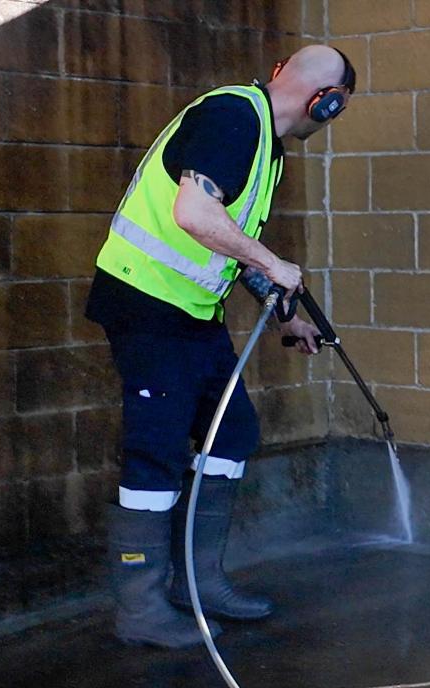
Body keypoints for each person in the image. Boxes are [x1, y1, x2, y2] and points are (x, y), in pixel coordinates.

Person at [85, 45, 357, 648]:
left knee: (230, 434)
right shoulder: (233, 117)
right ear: (327, 103)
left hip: (189, 311)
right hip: (146, 304)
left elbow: (227, 243)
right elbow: (194, 214)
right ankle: (141, 611)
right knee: (155, 452)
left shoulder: (265, 145)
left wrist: (283, 310)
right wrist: (273, 263)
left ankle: (198, 583)